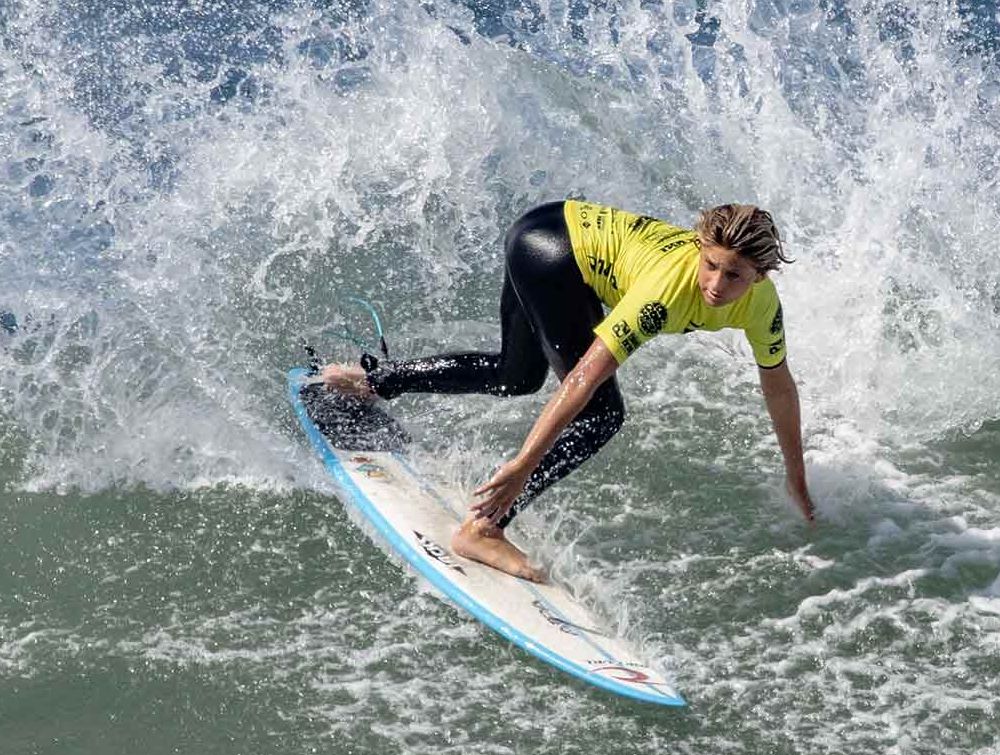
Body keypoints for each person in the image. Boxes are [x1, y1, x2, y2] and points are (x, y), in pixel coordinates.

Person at [321, 199, 814, 581]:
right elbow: (583, 378)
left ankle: (371, 384)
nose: (716, 283)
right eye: (710, 264)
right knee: (601, 416)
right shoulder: (666, 294)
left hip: (545, 230)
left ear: (762, 276)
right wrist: (521, 467)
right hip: (550, 253)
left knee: (515, 376)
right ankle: (484, 527)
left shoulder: (761, 307)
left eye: (735, 276)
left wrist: (796, 475)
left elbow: (778, 386)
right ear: (700, 247)